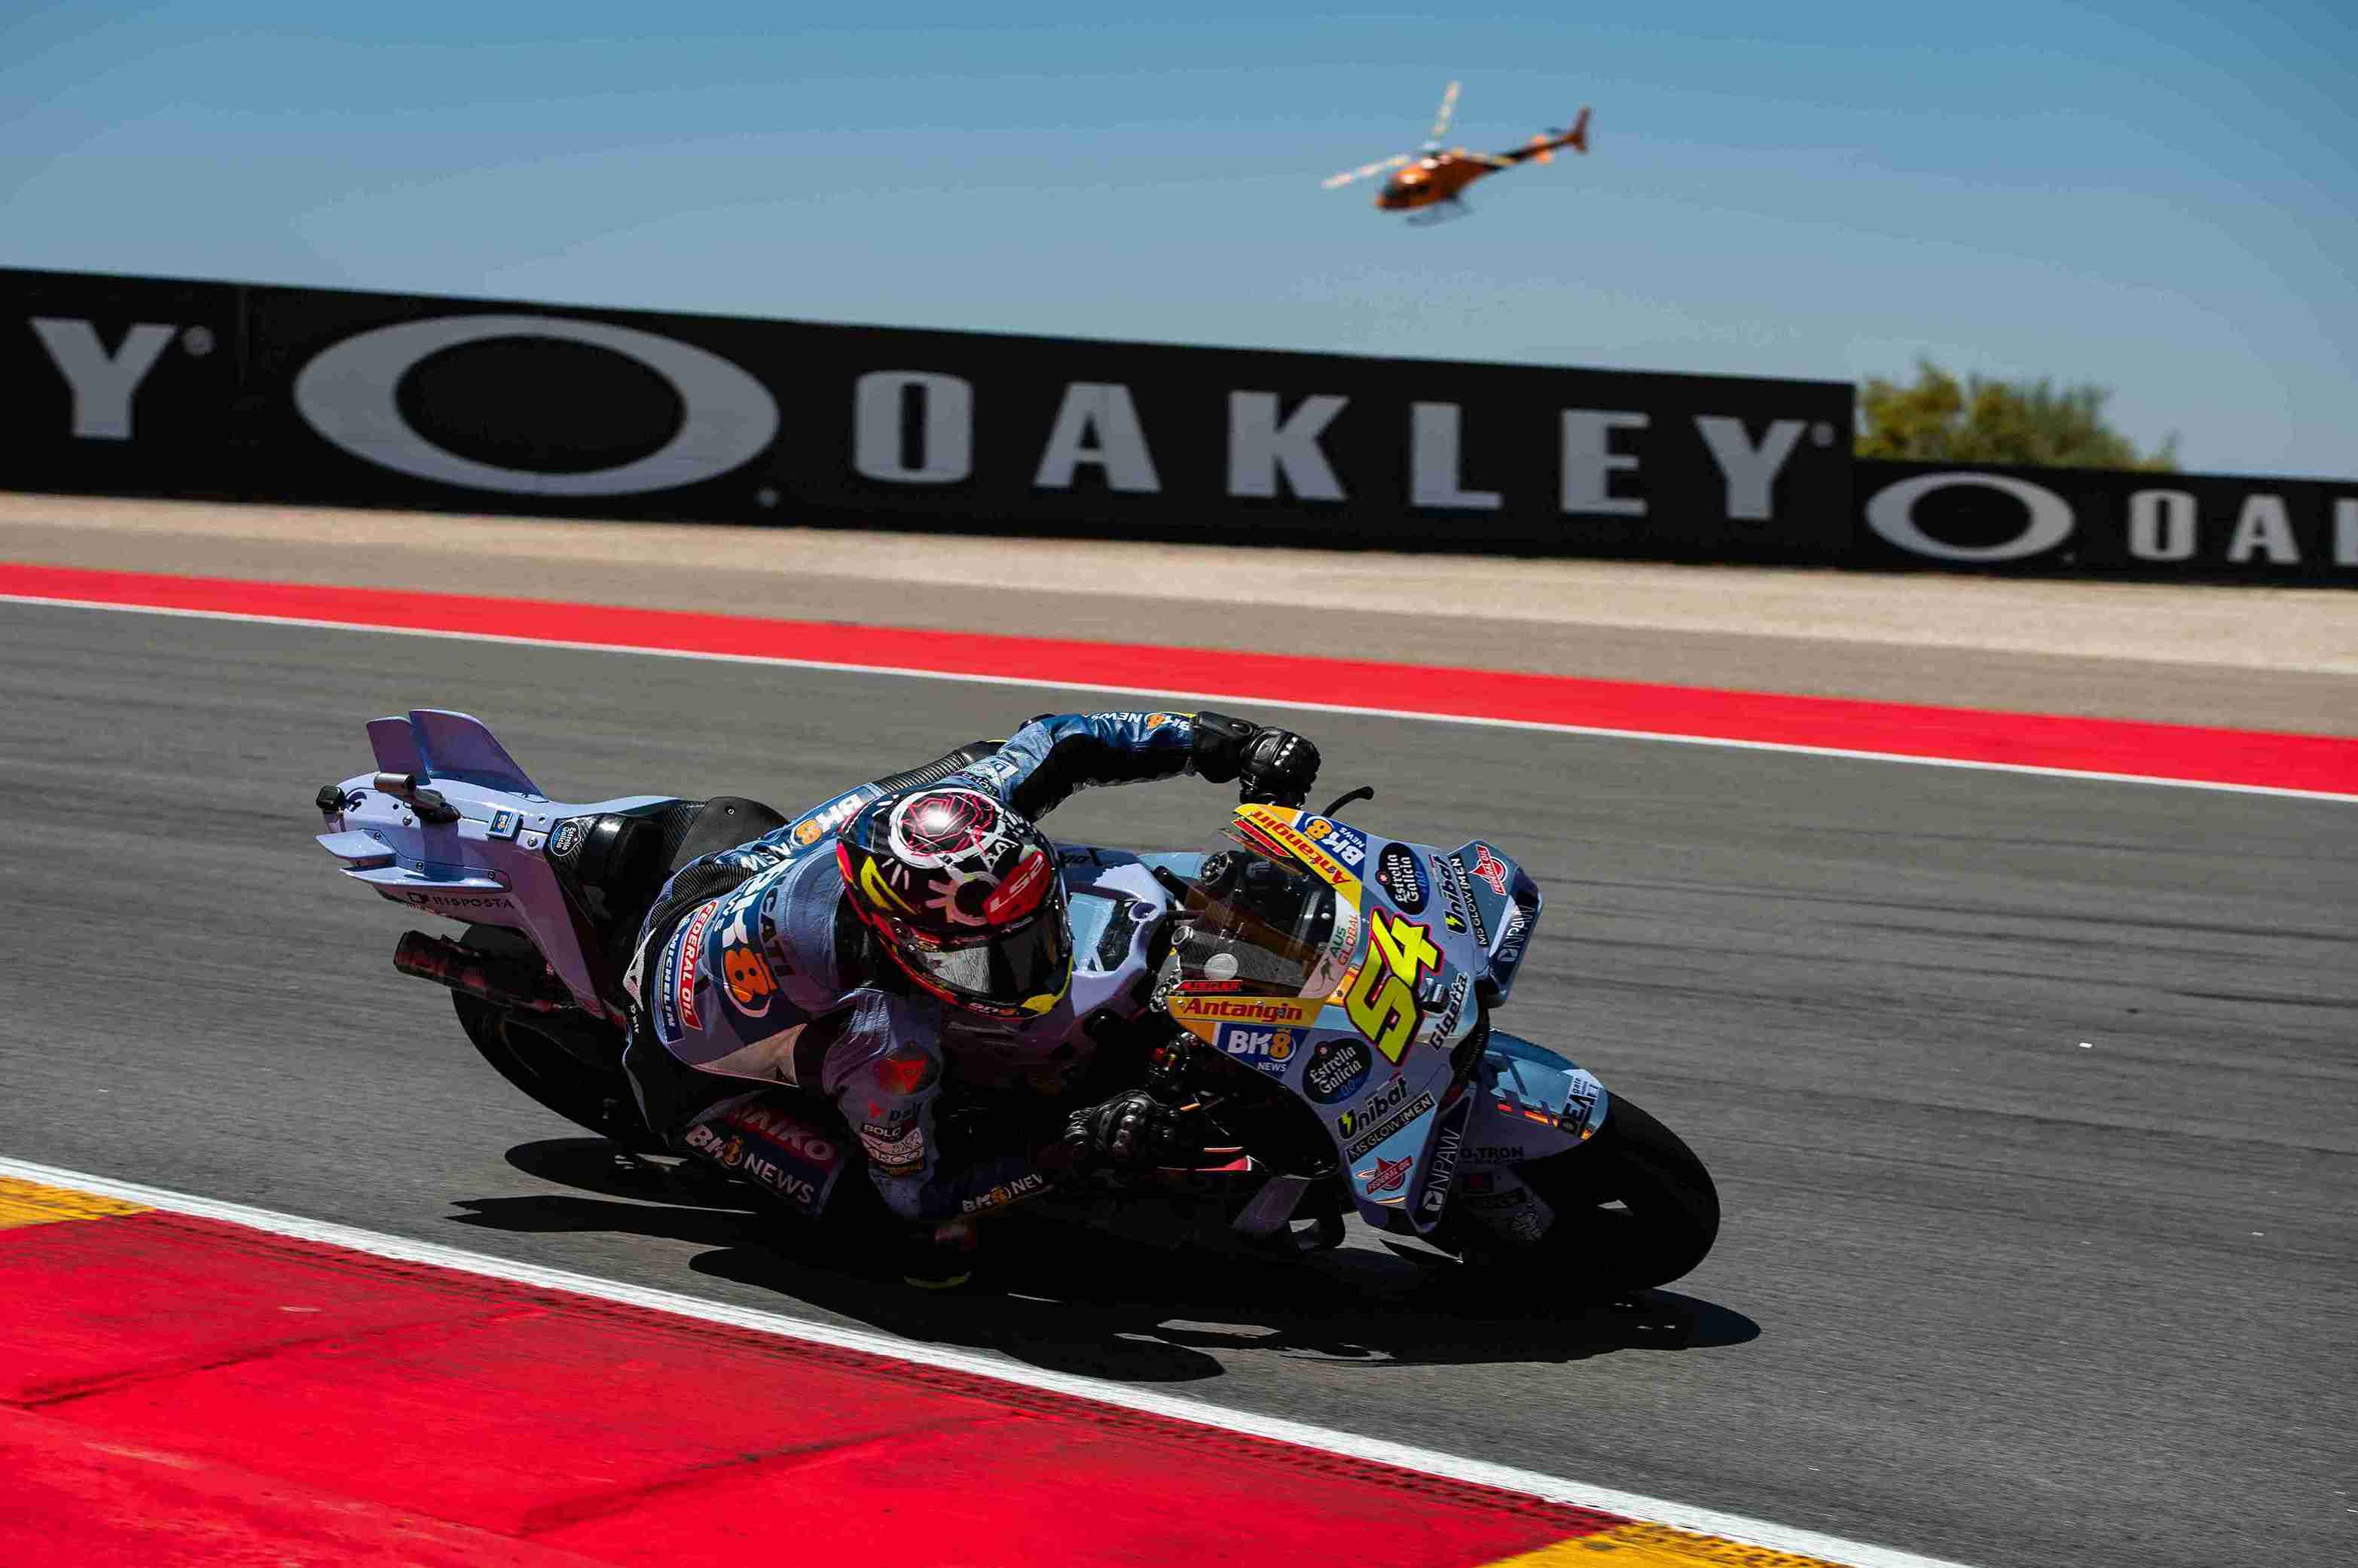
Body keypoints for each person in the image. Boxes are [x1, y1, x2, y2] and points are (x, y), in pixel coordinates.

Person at [619, 709, 1321, 1284]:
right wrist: (1074, 1144)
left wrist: (1224, 743)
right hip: (686, 1072)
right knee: (921, 1240)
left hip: (727, 877)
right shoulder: (883, 1039)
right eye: (994, 960)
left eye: (1039, 929)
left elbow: (1064, 740)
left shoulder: (967, 810)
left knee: (987, 762)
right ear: (908, 947)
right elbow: (917, 1191)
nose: (1039, 959)